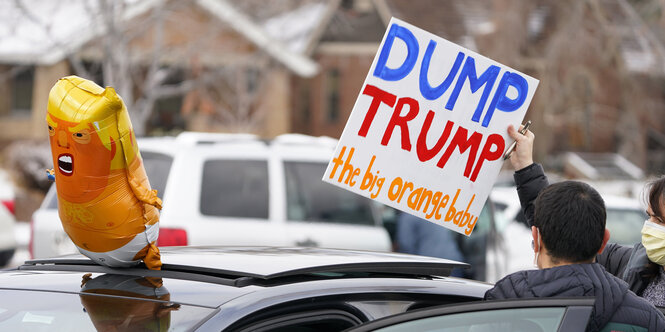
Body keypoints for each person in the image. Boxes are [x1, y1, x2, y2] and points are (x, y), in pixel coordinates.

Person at [484, 125, 665, 331]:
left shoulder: (503, 302)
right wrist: (525, 168)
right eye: (649, 216)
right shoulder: (636, 264)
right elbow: (562, 223)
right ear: (603, 241)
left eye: (660, 221)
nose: (650, 228)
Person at [396, 212, 466, 277]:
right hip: (454, 260)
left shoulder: (407, 216)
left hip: (430, 264)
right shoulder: (434, 211)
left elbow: (406, 246)